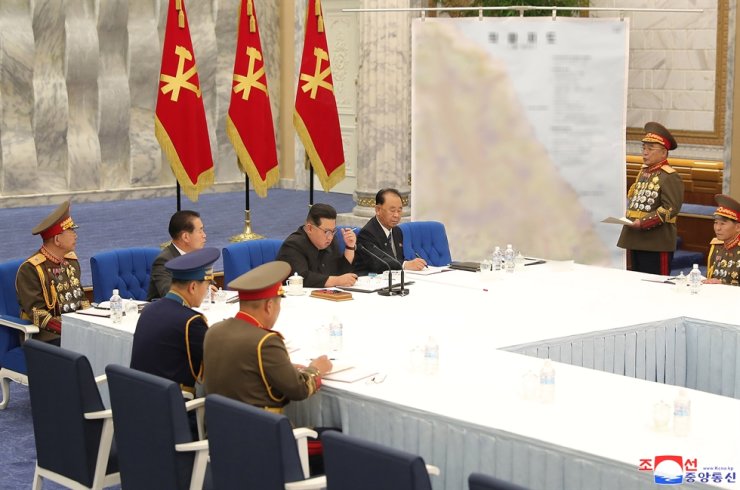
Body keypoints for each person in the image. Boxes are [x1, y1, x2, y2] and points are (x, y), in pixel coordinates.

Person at [203, 261, 332, 412]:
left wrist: (282, 367)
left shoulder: (214, 330)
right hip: (259, 426)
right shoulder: (265, 342)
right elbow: (299, 390)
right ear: (269, 306)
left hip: (218, 424)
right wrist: (316, 369)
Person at [130, 247, 220, 395]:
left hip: (140, 399)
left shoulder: (148, 310)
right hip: (173, 405)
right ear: (193, 287)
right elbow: (218, 360)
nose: (207, 292)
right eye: (207, 286)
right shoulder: (191, 322)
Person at [15, 200, 89, 341]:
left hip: (73, 329)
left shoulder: (71, 261)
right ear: (57, 239)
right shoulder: (31, 269)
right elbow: (38, 314)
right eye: (71, 231)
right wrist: (70, 330)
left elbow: (82, 298)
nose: (76, 235)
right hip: (45, 336)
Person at [617, 122, 684, 275]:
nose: (645, 153)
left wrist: (643, 223)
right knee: (636, 282)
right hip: (635, 238)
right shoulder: (644, 172)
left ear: (664, 152)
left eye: (650, 149)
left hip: (656, 241)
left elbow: (670, 208)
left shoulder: (669, 176)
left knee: (656, 284)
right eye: (643, 148)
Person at [276, 203, 357, 288]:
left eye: (333, 231)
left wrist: (350, 247)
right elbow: (302, 278)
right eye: (326, 231)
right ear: (310, 228)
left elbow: (341, 274)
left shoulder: (331, 241)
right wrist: (336, 281)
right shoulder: (293, 245)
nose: (330, 237)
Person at [354, 188, 427, 275]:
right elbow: (379, 263)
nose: (396, 215)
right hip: (370, 278)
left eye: (399, 210)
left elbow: (397, 259)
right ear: (378, 210)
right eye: (392, 211)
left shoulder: (397, 231)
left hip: (394, 277)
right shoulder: (367, 234)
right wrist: (405, 264)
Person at [147, 210, 208, 301]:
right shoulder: (164, 262)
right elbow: (171, 295)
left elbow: (207, 285)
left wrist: (208, 289)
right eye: (200, 231)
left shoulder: (197, 256)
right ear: (185, 237)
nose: (204, 235)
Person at [705, 194, 740, 286]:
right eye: (716, 223)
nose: (717, 228)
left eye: (722, 224)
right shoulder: (717, 245)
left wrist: (723, 284)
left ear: (738, 227)